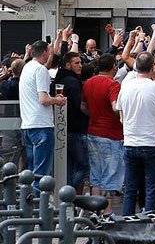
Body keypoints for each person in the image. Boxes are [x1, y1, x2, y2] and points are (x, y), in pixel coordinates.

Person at [116, 52, 155, 216]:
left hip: (131, 142)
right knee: (152, 187)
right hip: (153, 143)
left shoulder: (125, 88)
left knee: (131, 187)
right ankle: (150, 222)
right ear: (151, 66)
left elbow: (121, 117)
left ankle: (127, 222)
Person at [82, 53, 125, 217]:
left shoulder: (89, 83)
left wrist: (95, 115)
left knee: (96, 175)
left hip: (93, 131)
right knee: (110, 174)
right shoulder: (113, 84)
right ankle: (107, 211)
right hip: (111, 134)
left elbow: (83, 106)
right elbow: (115, 107)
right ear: (114, 66)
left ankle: (95, 210)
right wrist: (123, 116)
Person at [19, 40, 66, 188]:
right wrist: (57, 100)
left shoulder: (27, 67)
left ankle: (30, 207)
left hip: (27, 125)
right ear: (45, 53)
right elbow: (43, 99)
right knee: (41, 174)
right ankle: (40, 208)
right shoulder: (40, 70)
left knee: (31, 172)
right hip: (41, 125)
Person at [53, 52, 89, 193]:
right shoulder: (73, 81)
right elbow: (81, 105)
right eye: (76, 63)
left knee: (67, 168)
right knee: (83, 167)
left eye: (81, 62)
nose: (80, 65)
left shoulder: (58, 80)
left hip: (62, 129)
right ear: (68, 65)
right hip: (75, 129)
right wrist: (93, 115)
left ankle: (65, 199)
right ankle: (68, 194)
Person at [0, 58, 25, 167]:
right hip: (24, 122)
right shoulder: (25, 85)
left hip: (7, 125)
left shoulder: (5, 85)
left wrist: (6, 75)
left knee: (8, 156)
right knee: (25, 157)